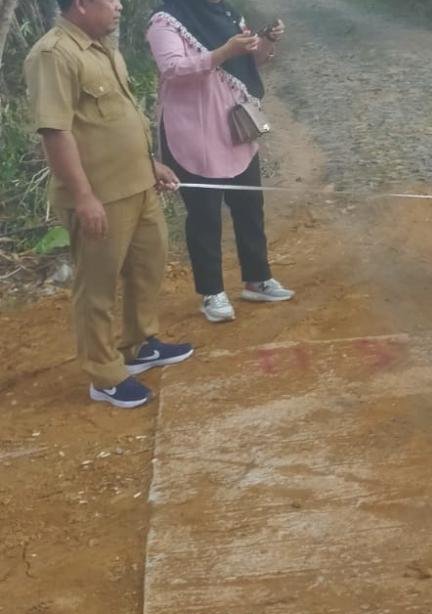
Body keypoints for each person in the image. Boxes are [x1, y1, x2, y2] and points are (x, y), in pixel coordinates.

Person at [24, 0, 193, 409]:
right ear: (82, 4)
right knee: (97, 288)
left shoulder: (103, 46)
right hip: (100, 195)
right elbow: (56, 133)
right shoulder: (53, 54)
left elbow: (117, 117)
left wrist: (150, 164)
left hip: (138, 185)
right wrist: (83, 196)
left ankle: (139, 344)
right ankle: (104, 374)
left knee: (148, 265)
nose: (119, 5)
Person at [147, 0, 291, 323]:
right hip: (193, 132)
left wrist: (267, 40)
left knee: (250, 206)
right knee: (205, 215)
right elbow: (173, 69)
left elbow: (248, 63)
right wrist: (224, 52)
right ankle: (212, 292)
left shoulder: (228, 15)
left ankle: (258, 278)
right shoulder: (166, 21)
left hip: (234, 128)